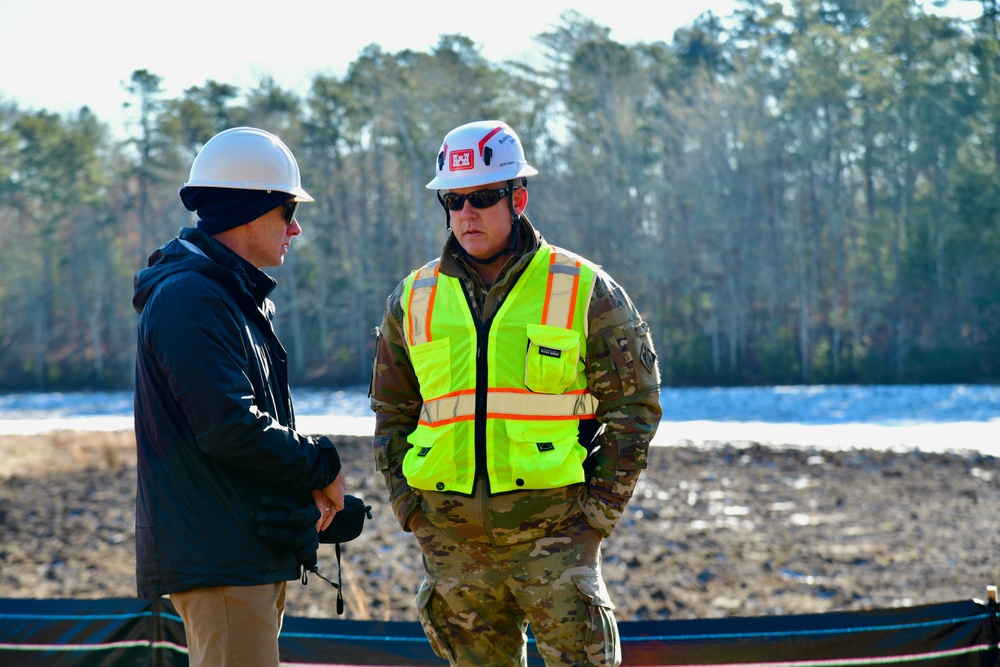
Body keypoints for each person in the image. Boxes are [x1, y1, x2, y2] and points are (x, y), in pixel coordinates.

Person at [369, 120, 662, 666]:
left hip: (556, 536)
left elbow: (634, 406)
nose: (466, 213)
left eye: (482, 197)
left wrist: (596, 515)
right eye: (453, 200)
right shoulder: (412, 299)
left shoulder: (582, 287)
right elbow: (392, 414)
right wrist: (411, 512)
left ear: (518, 197)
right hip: (452, 545)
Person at [132, 126, 347, 667]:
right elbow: (229, 426)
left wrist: (302, 488)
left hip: (240, 558)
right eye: (288, 212)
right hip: (222, 564)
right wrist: (320, 463)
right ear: (249, 211)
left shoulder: (223, 295)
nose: (296, 228)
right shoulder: (192, 299)